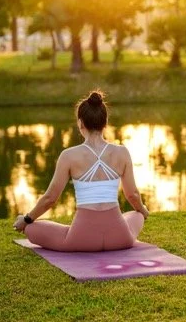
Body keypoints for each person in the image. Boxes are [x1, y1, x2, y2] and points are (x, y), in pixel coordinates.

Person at [12, 91, 149, 251]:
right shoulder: (122, 152)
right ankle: (134, 218)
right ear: (105, 123)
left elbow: (50, 198)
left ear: (80, 123)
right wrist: (143, 210)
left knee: (31, 229)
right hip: (120, 238)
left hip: (80, 239)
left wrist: (27, 219)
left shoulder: (69, 156)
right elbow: (132, 195)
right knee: (137, 215)